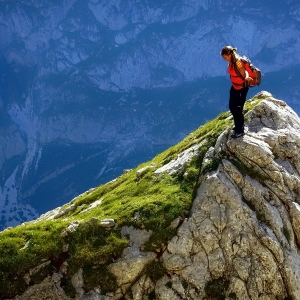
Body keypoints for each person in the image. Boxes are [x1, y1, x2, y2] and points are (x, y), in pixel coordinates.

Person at [221, 46, 252, 139]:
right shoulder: (231, 62)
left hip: (242, 88)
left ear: (230, 54)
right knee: (232, 107)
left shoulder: (238, 62)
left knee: (238, 108)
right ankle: (237, 126)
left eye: (225, 56)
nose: (224, 58)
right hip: (235, 87)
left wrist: (246, 77)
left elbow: (244, 72)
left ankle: (240, 130)